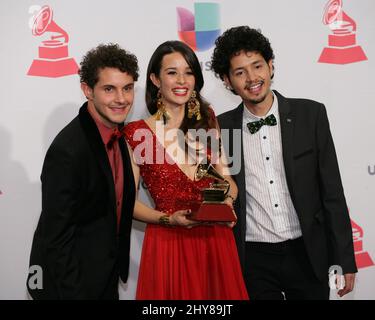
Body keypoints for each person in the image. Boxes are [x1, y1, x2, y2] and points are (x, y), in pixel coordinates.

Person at [211, 26, 357, 300]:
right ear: (227, 80)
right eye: (240, 72)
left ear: (271, 66)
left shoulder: (310, 115)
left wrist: (344, 260)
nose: (252, 78)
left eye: (257, 66)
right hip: (253, 258)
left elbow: (333, 194)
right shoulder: (222, 129)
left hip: (307, 252)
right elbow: (222, 193)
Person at [124, 40, 248, 300]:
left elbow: (228, 180)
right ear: (155, 79)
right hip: (167, 245)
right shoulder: (136, 134)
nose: (182, 80)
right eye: (172, 72)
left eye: (189, 72)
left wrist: (226, 202)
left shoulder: (208, 120)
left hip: (215, 243)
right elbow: (127, 203)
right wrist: (168, 219)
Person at [26, 44, 138, 299]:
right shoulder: (68, 151)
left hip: (104, 278)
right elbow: (57, 239)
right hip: (71, 285)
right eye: (109, 89)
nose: (121, 99)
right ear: (88, 90)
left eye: (127, 88)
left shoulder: (117, 133)